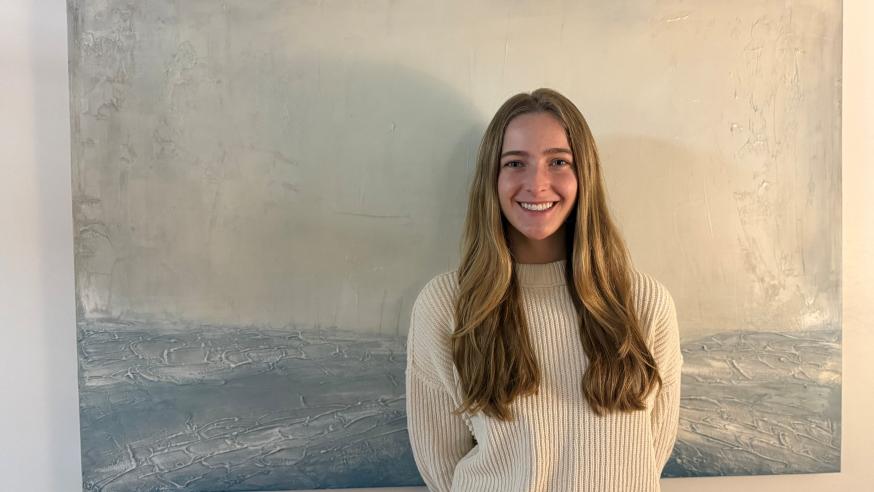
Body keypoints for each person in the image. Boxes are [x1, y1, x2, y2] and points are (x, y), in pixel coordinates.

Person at [405, 88, 683, 492]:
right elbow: (442, 467)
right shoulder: (447, 305)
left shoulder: (644, 304)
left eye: (558, 162)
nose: (537, 184)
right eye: (515, 163)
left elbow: (649, 452)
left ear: (584, 175)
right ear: (492, 178)